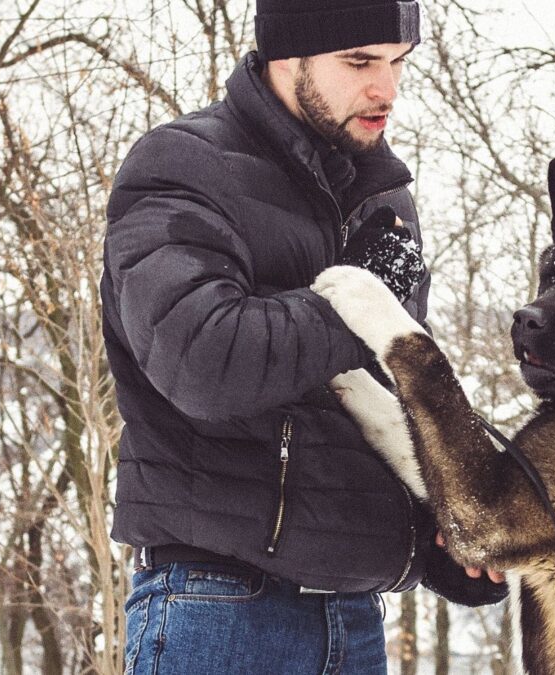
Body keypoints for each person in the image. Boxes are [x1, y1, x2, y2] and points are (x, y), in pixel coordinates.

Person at [99, 0, 507, 671]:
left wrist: (442, 534)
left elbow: (383, 403)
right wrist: (360, 298)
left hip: (355, 615)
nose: (387, 89)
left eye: (398, 62)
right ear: (288, 55)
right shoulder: (181, 165)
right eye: (360, 62)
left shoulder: (381, 199)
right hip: (219, 606)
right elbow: (202, 359)